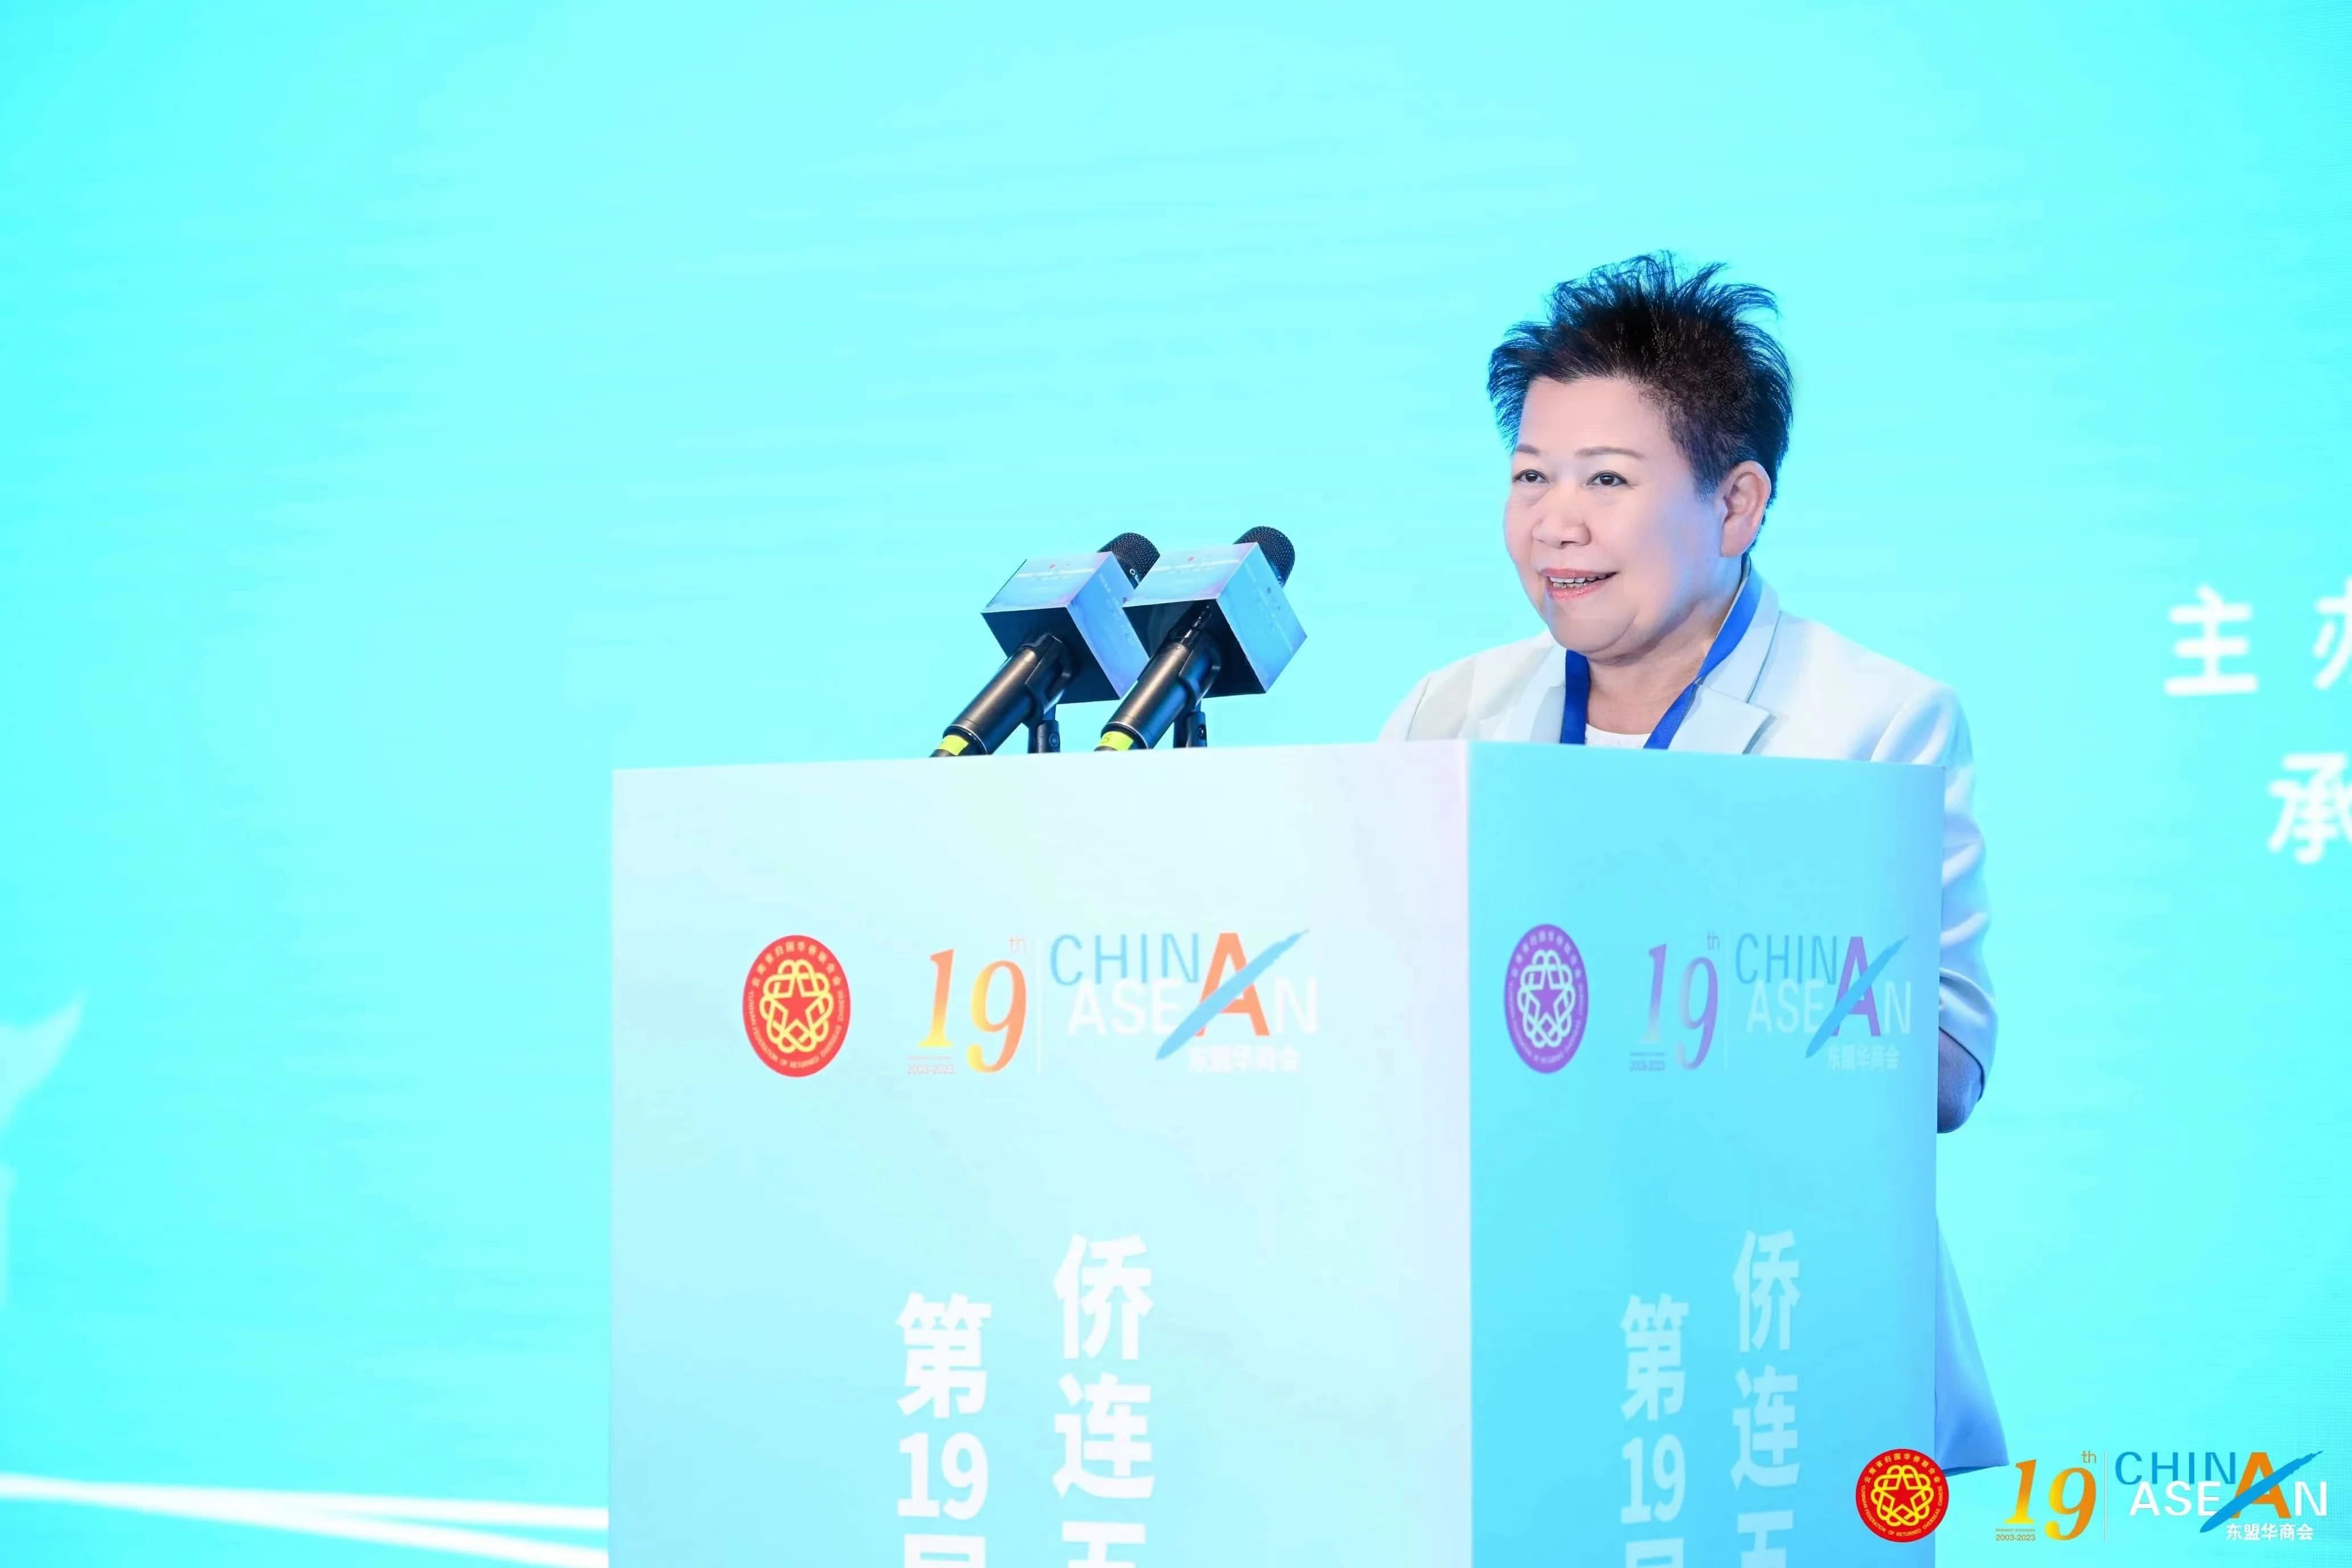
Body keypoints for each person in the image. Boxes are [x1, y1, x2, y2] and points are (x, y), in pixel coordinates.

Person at [1381, 252, 2004, 1473]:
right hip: (1517, 1316)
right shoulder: (1449, 712)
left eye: (1608, 479)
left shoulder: (1874, 722)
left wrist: (1728, 969)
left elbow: (1948, 1072)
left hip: (1778, 1328)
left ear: (1736, 506)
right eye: (1530, 476)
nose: (1555, 522)